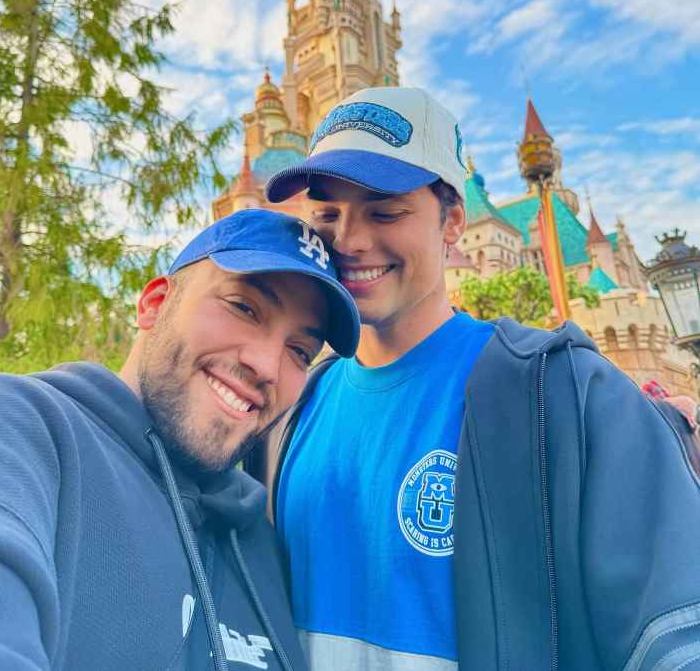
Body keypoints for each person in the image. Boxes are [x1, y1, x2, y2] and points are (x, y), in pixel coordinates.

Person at [265, 86, 700, 671]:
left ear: (454, 224)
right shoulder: (291, 410)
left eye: (385, 211)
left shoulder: (563, 393)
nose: (350, 240)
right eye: (326, 215)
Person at [0, 208, 359, 671]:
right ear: (155, 304)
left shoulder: (258, 541)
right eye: (244, 308)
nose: (266, 366)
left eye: (300, 350)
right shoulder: (10, 426)